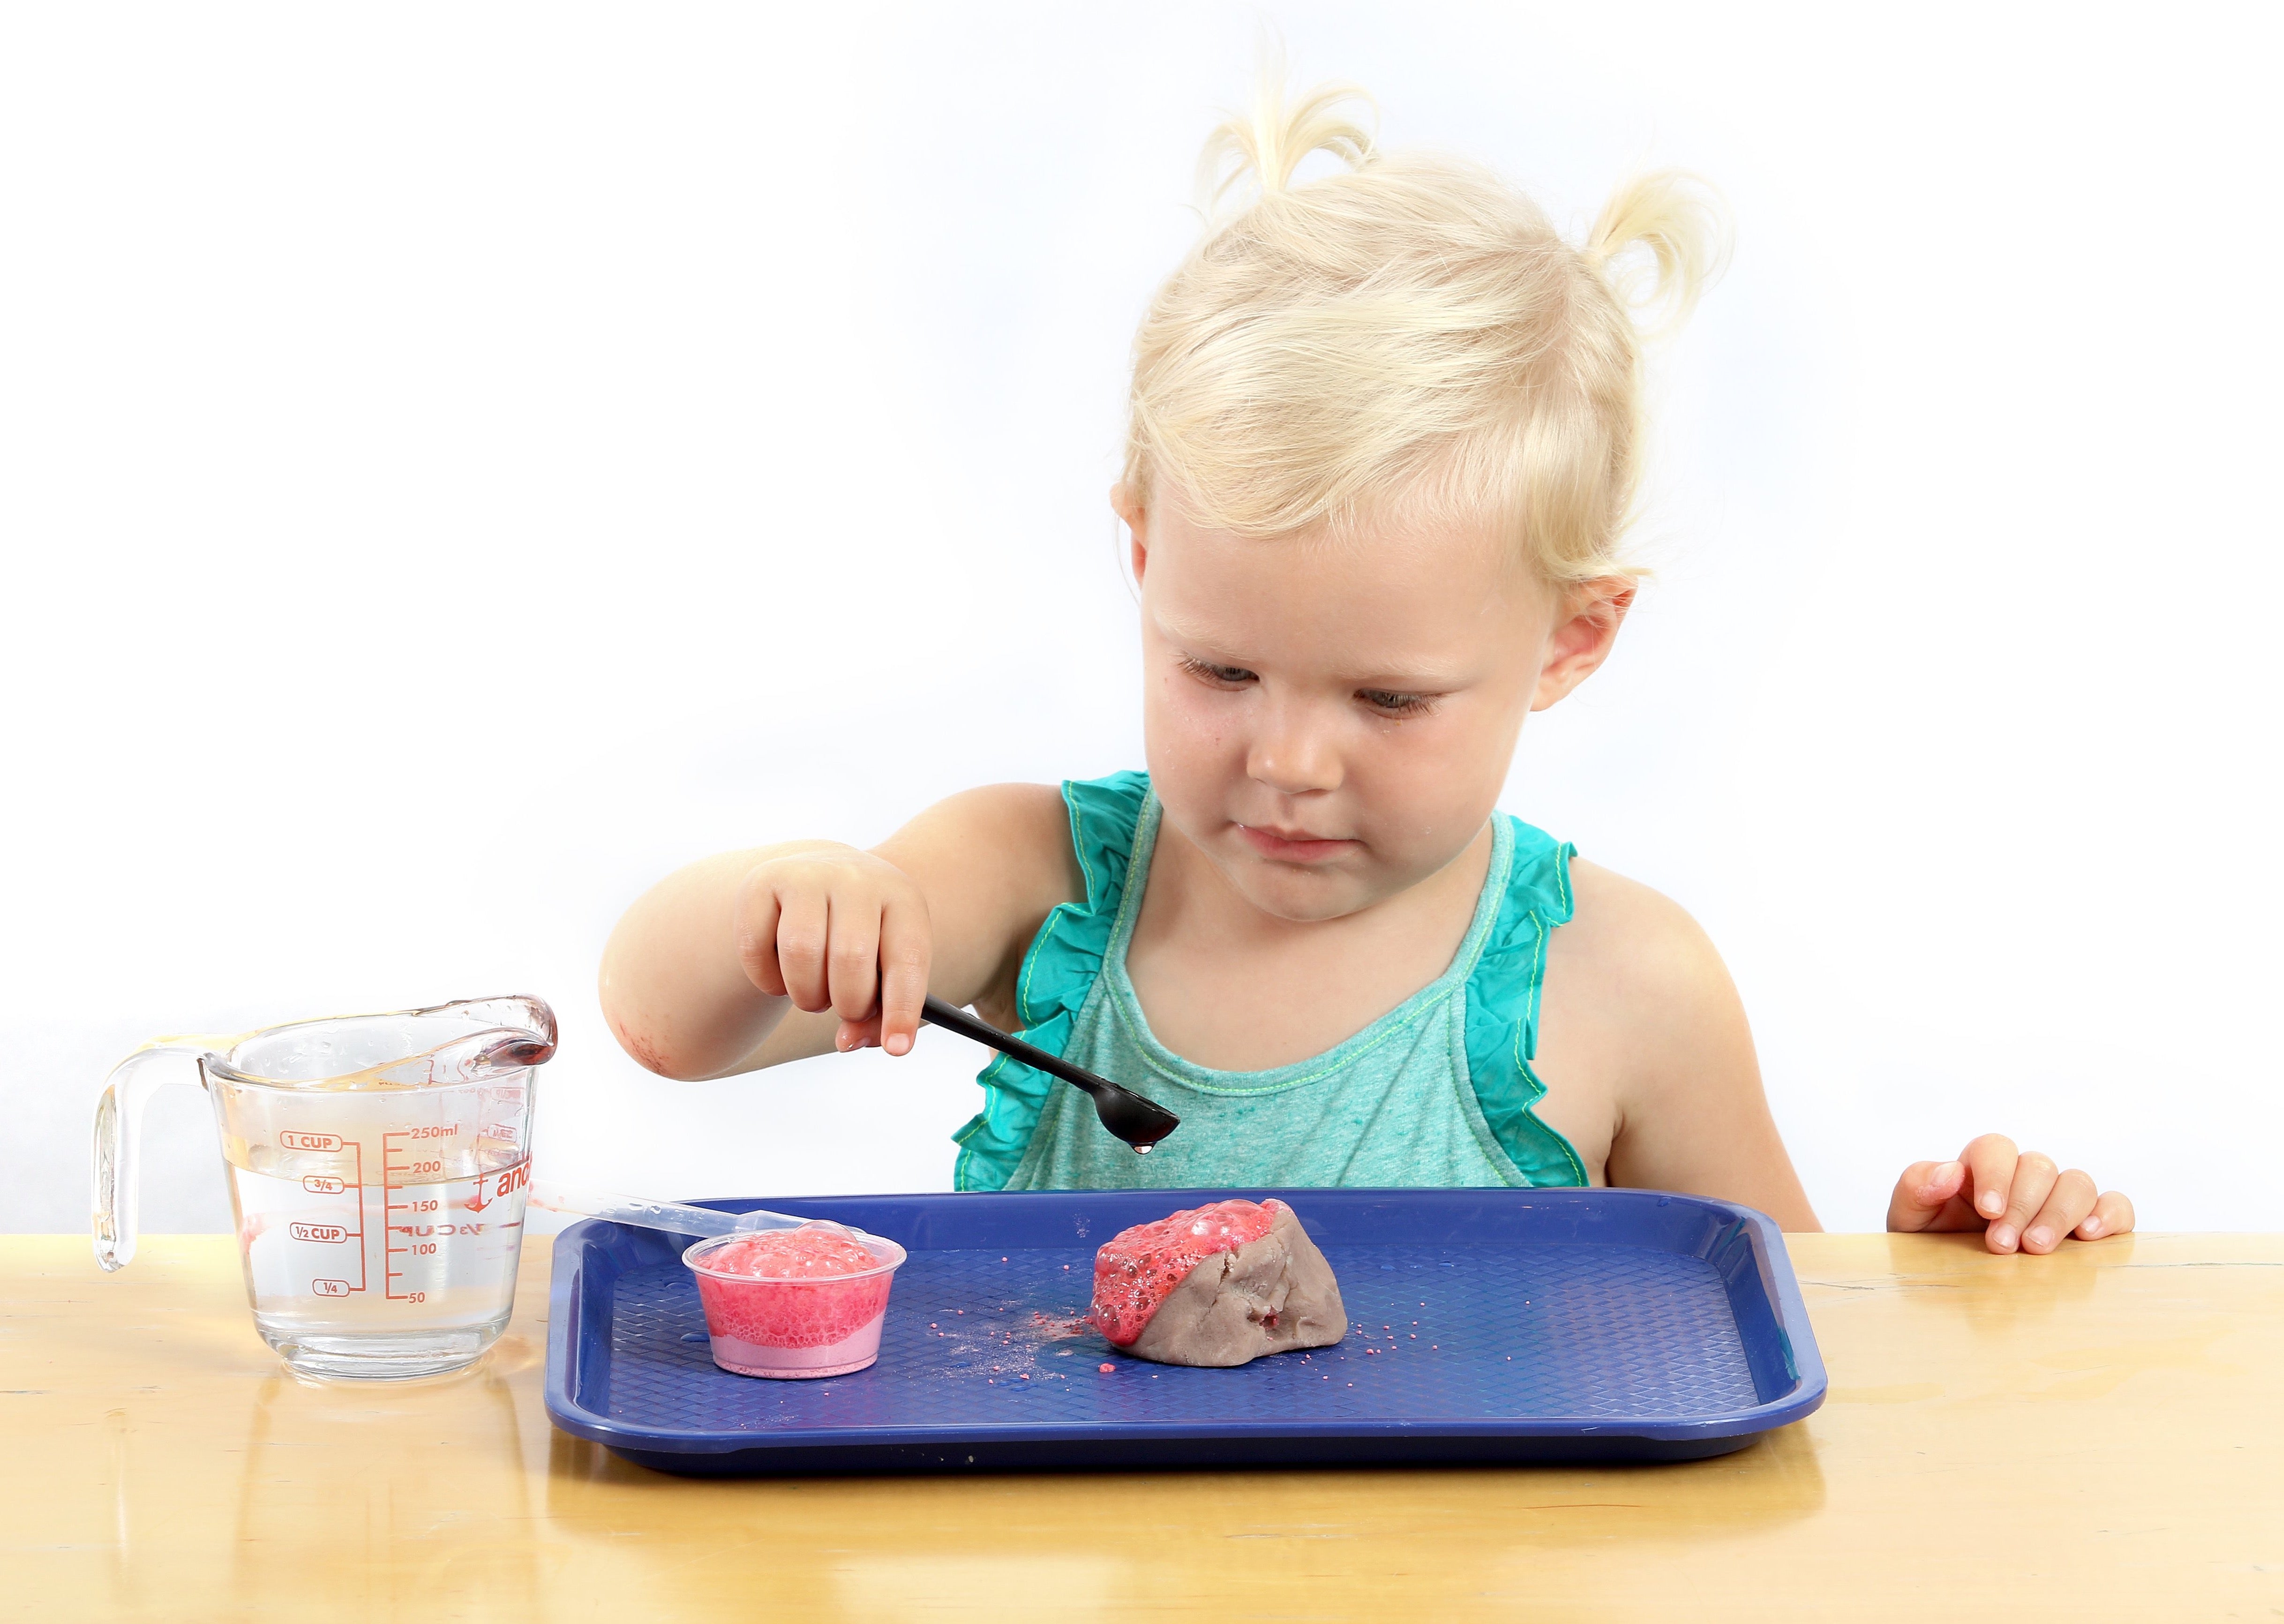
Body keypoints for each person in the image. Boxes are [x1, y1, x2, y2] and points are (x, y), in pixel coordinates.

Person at [599, 74, 2131, 1254]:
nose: (1289, 760)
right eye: (1219, 671)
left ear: (1573, 640)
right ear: (1143, 564)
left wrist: (1938, 1278)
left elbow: (1794, 1340)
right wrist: (786, 898)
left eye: (1388, 698)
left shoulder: (1629, 986)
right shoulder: (1030, 880)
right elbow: (668, 1023)